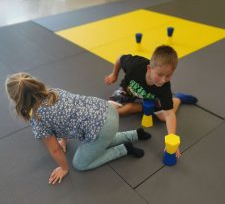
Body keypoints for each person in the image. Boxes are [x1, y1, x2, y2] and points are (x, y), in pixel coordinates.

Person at [5, 73, 151, 185]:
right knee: (102, 138)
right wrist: (63, 140)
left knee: (80, 164)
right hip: (107, 109)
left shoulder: (38, 120)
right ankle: (135, 134)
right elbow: (66, 117)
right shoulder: (53, 92)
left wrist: (64, 168)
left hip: (103, 127)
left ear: (18, 102)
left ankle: (124, 149)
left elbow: (55, 149)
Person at [105, 45, 198, 157]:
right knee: (108, 110)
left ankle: (178, 99)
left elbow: (169, 115)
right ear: (149, 68)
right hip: (128, 90)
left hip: (151, 97)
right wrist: (114, 74)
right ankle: (142, 107)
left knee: (162, 117)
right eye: (159, 75)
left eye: (168, 76)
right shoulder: (135, 65)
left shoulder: (164, 87)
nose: (163, 80)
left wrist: (172, 140)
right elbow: (120, 59)